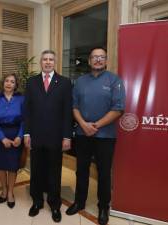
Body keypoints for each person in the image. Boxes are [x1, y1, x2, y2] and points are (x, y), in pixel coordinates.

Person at [65, 47, 126, 225]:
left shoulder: (115, 80)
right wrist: (84, 125)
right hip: (83, 134)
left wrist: (97, 125)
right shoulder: (80, 81)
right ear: (89, 60)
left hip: (106, 135)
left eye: (101, 57)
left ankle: (103, 207)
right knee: (81, 170)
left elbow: (118, 109)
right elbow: (74, 106)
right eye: (94, 57)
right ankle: (79, 202)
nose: (98, 60)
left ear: (106, 61)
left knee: (104, 173)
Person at [24, 50, 72, 222]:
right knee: (36, 170)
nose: (48, 62)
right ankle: (37, 202)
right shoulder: (31, 82)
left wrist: (67, 136)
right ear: (40, 62)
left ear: (55, 62)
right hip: (36, 136)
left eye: (51, 59)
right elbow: (27, 110)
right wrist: (27, 133)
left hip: (56, 136)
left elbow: (67, 112)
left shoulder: (65, 83)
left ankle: (54, 204)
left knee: (54, 171)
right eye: (45, 59)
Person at [0, 73, 24, 209]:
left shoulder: (22, 99)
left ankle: (10, 192)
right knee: (1, 165)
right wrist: (2, 137)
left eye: (12, 82)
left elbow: (25, 120)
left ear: (16, 85)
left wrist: (19, 136)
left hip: (16, 135)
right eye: (7, 81)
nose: (9, 84)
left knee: (13, 166)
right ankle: (3, 189)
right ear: (3, 83)